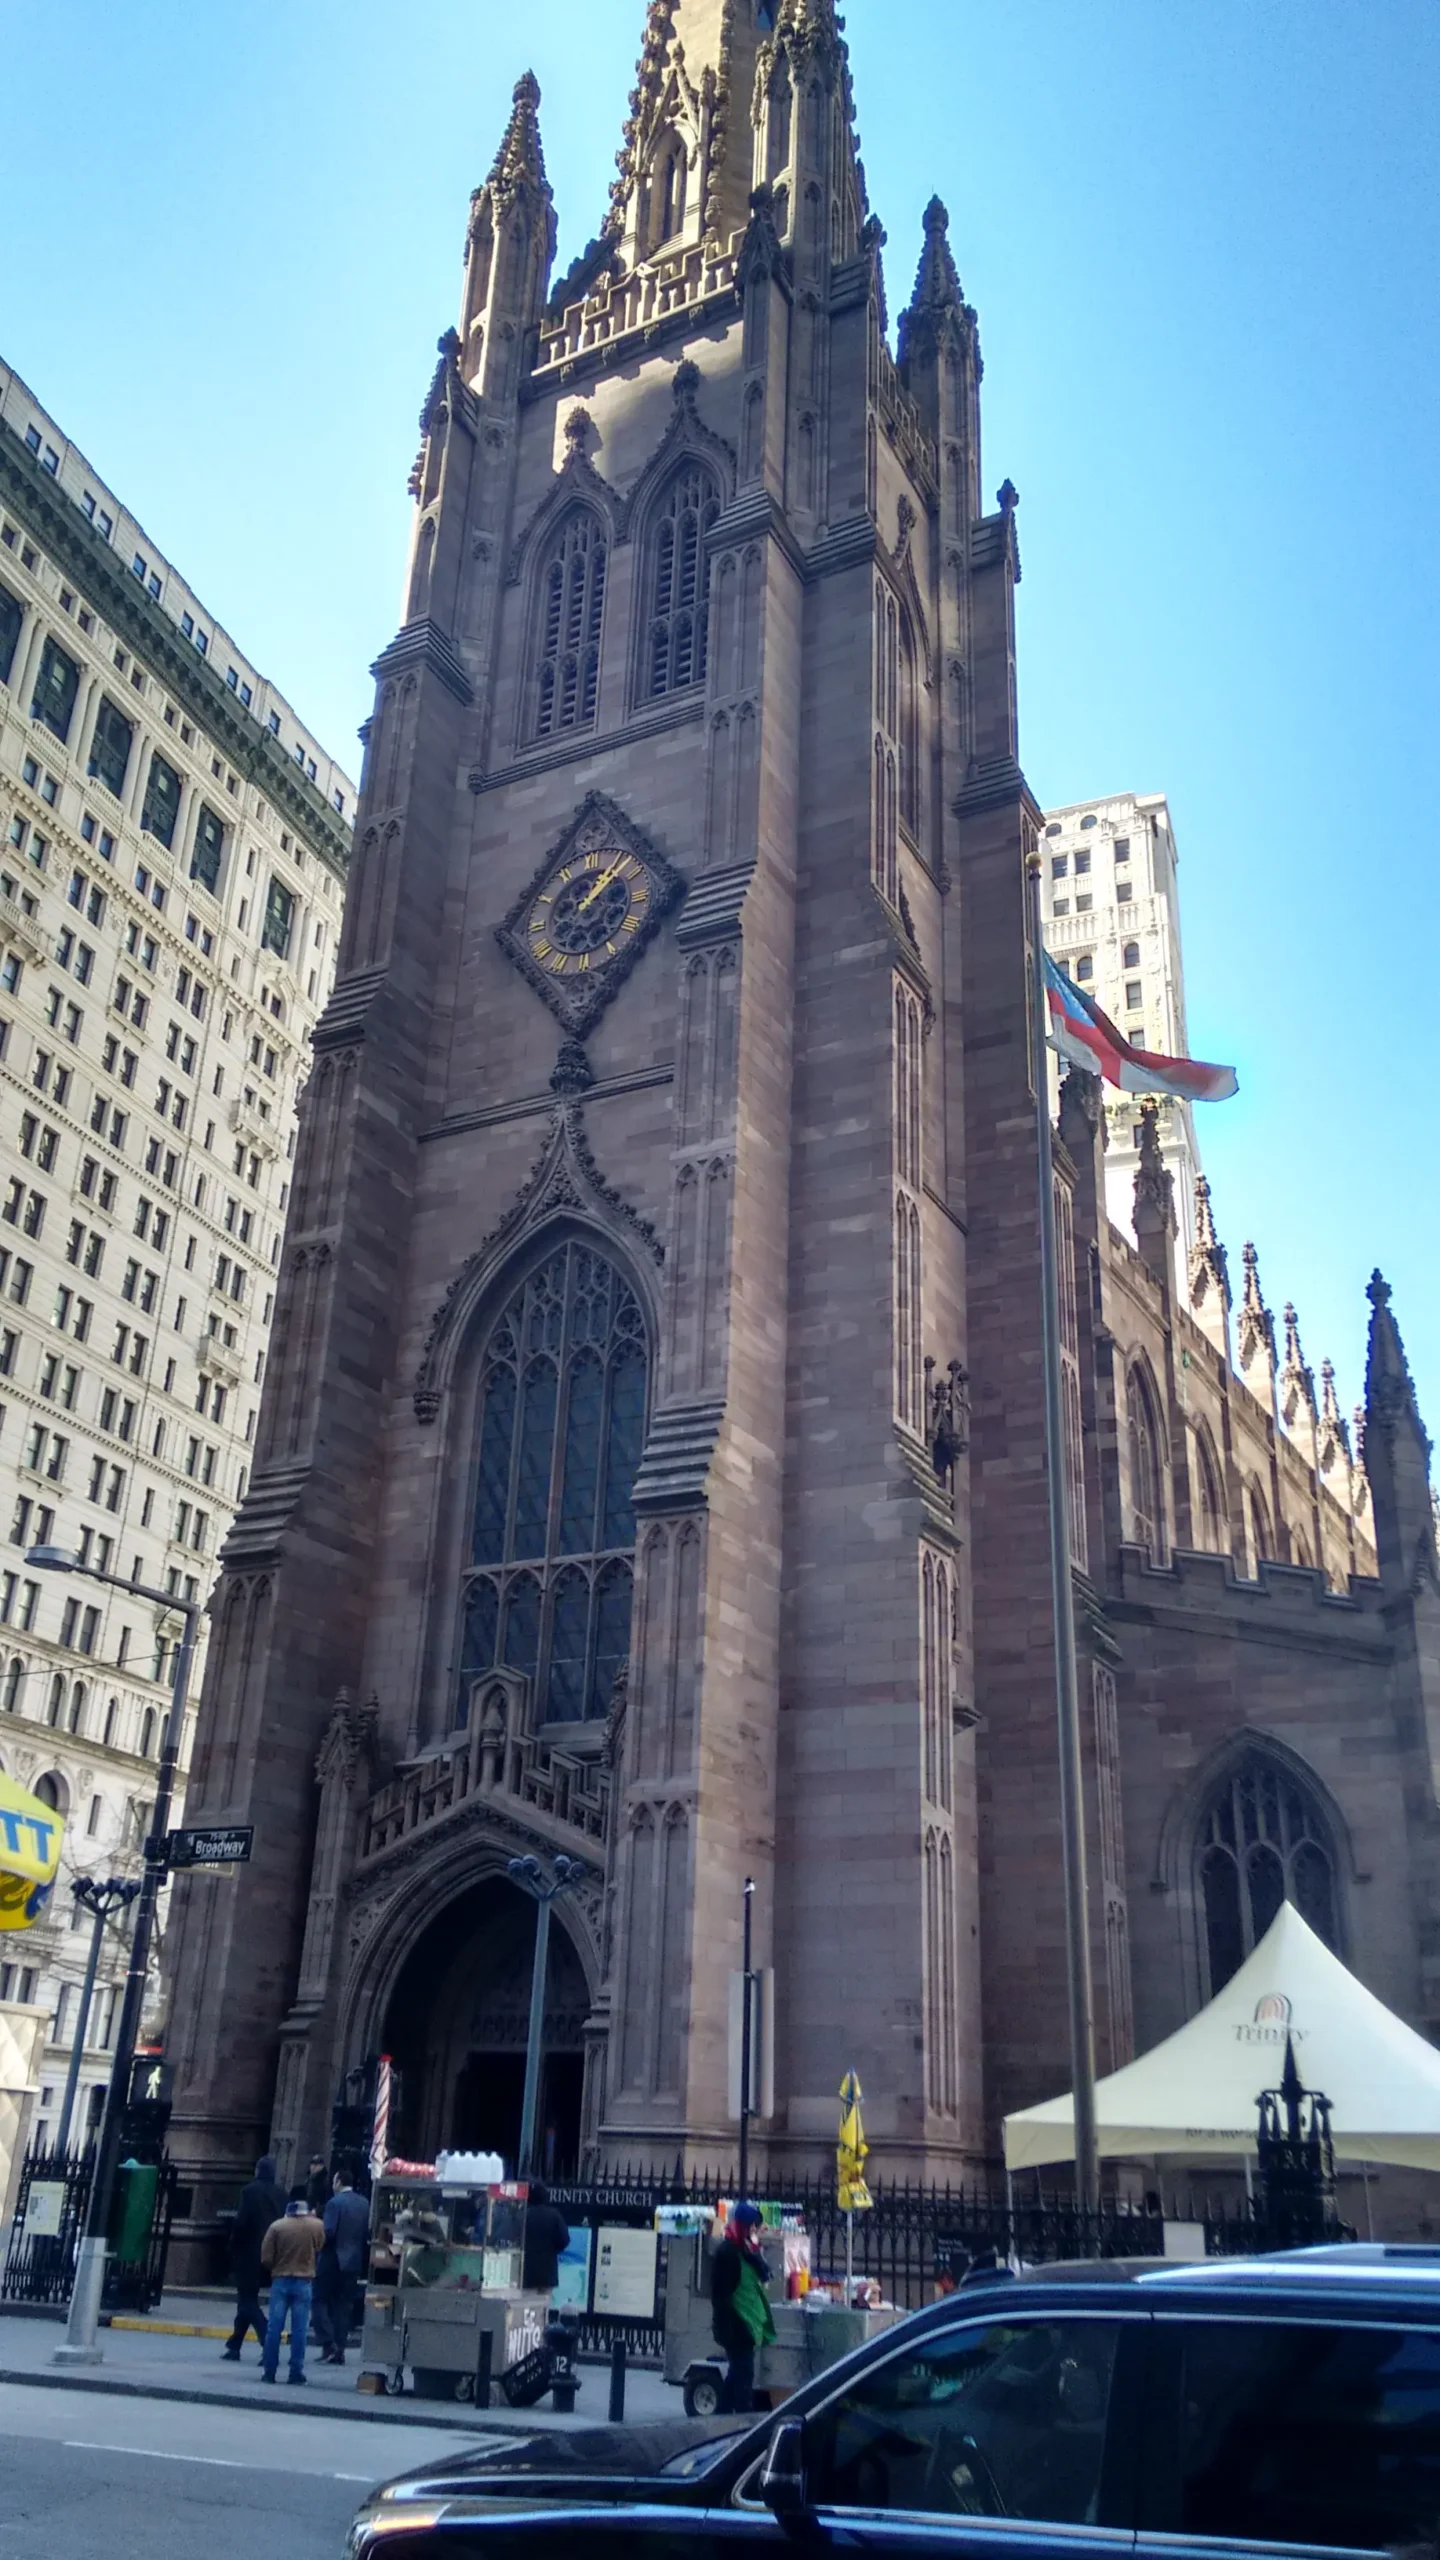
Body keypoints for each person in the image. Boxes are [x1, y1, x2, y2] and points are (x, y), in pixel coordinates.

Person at [709, 2201, 775, 2415]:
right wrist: (725, 2330)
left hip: (749, 2325)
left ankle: (722, 2417)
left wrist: (756, 2252)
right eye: (752, 2226)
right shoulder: (727, 2253)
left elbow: (765, 2274)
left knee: (737, 2376)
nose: (755, 2231)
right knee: (743, 2378)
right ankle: (740, 2422)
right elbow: (720, 2296)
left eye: (756, 2227)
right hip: (738, 2328)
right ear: (742, 2226)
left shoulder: (746, 2249)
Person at [259, 2184, 326, 2384]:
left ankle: (269, 2371)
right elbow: (321, 2246)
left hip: (280, 2280)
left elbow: (265, 2257)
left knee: (274, 2328)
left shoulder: (277, 2227)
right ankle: (295, 2371)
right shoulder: (316, 2226)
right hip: (304, 2281)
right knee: (300, 2330)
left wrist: (276, 2266)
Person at [222, 2152, 286, 2361]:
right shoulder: (281, 2193)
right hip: (273, 2254)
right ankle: (235, 2345)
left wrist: (232, 2246)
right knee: (246, 2301)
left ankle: (267, 2339)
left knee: (247, 2301)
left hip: (249, 2254)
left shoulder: (249, 2192)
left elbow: (242, 2223)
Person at [316, 2165, 371, 2365]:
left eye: (334, 2181)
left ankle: (328, 2342)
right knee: (344, 2307)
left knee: (319, 2300)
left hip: (332, 2260)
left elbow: (328, 2232)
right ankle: (339, 2350)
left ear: (338, 2182)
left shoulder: (334, 2203)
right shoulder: (364, 2203)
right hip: (353, 2262)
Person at [521, 2181, 571, 2297]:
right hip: (548, 2271)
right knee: (543, 2308)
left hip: (526, 2271)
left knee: (526, 2307)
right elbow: (565, 2239)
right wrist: (552, 2250)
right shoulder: (554, 2215)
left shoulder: (524, 2214)